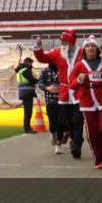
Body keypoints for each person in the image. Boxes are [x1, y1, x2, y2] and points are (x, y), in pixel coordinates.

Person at [68, 35, 102, 169]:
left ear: (97, 49)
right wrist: (79, 79)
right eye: (88, 46)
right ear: (84, 49)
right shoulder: (79, 65)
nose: (90, 48)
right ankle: (99, 159)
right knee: (93, 132)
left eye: (93, 46)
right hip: (87, 101)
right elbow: (71, 85)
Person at [33, 30, 85, 159]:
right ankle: (62, 141)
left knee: (77, 120)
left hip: (79, 91)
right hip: (64, 92)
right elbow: (43, 58)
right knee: (62, 120)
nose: (62, 43)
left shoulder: (82, 52)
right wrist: (39, 46)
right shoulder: (58, 52)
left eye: (64, 41)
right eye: (61, 41)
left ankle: (76, 141)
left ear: (72, 41)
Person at [38, 62, 62, 153]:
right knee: (53, 122)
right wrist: (48, 88)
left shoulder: (63, 69)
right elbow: (40, 84)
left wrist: (61, 88)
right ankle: (52, 132)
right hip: (50, 101)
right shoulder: (44, 72)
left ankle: (58, 145)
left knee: (61, 122)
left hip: (63, 100)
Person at [14, 57, 39, 133]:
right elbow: (32, 80)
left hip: (24, 92)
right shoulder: (25, 70)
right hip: (27, 92)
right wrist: (40, 80)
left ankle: (27, 127)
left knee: (27, 111)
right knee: (28, 111)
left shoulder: (20, 70)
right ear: (27, 62)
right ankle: (27, 128)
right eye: (31, 63)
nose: (32, 65)